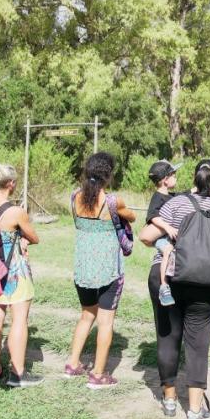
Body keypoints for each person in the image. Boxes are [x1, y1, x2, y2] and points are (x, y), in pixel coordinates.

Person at [138, 159, 210, 419]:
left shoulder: (176, 204)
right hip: (208, 283)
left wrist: (166, 239)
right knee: (199, 344)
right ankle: (194, 410)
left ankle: (169, 399)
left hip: (170, 277)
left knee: (168, 336)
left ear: (194, 178)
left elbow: (145, 236)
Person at [64, 153, 136, 389]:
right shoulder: (114, 202)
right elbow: (132, 217)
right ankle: (98, 374)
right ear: (108, 175)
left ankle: (73, 364)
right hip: (108, 271)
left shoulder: (75, 197)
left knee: (87, 315)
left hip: (83, 270)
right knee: (105, 322)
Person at [0, 162, 42, 387]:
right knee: (19, 319)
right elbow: (34, 237)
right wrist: (25, 239)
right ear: (11, 184)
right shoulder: (15, 211)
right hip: (14, 268)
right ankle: (17, 373)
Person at [146, 160, 183, 307]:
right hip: (161, 239)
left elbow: (187, 193)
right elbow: (152, 216)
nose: (176, 177)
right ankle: (164, 286)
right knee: (167, 250)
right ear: (165, 180)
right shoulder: (157, 197)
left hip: (167, 236)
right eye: (174, 175)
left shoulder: (171, 195)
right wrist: (167, 227)